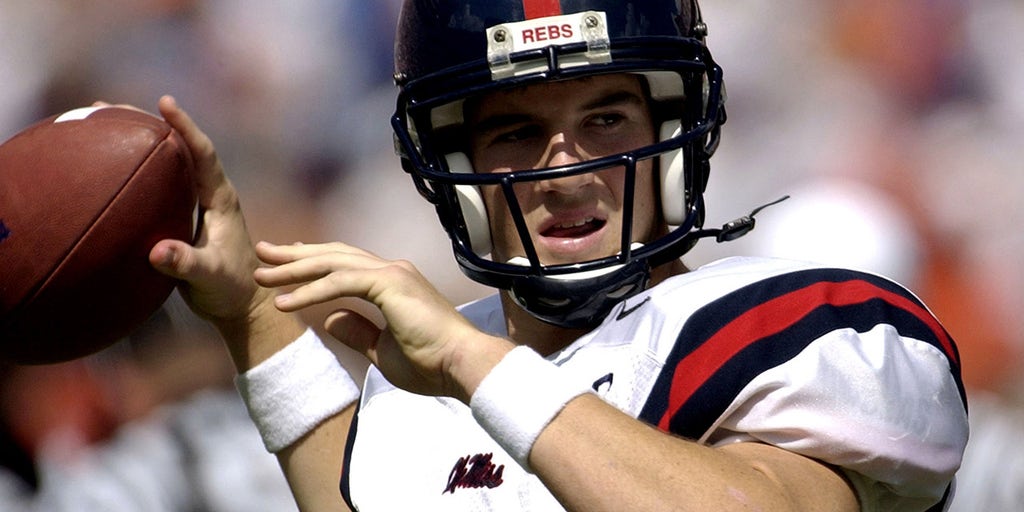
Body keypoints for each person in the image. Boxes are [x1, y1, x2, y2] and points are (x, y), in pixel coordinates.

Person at [145, 0, 968, 510]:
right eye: (515, 131)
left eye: (607, 119)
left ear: (674, 132)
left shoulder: (787, 330)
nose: (564, 170)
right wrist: (249, 314)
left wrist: (478, 365)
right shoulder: (428, 383)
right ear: (450, 166)